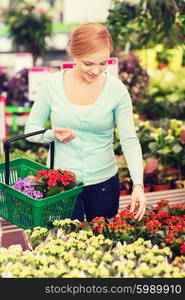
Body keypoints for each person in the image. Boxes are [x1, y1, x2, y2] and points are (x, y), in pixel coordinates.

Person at [24, 22, 146, 222]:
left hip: (104, 182)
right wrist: (51, 134)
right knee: (64, 245)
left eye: (103, 63)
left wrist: (138, 185)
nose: (96, 71)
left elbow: (129, 140)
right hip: (61, 185)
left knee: (104, 243)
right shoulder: (52, 85)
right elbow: (31, 129)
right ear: (74, 54)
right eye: (88, 63)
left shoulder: (116, 90)